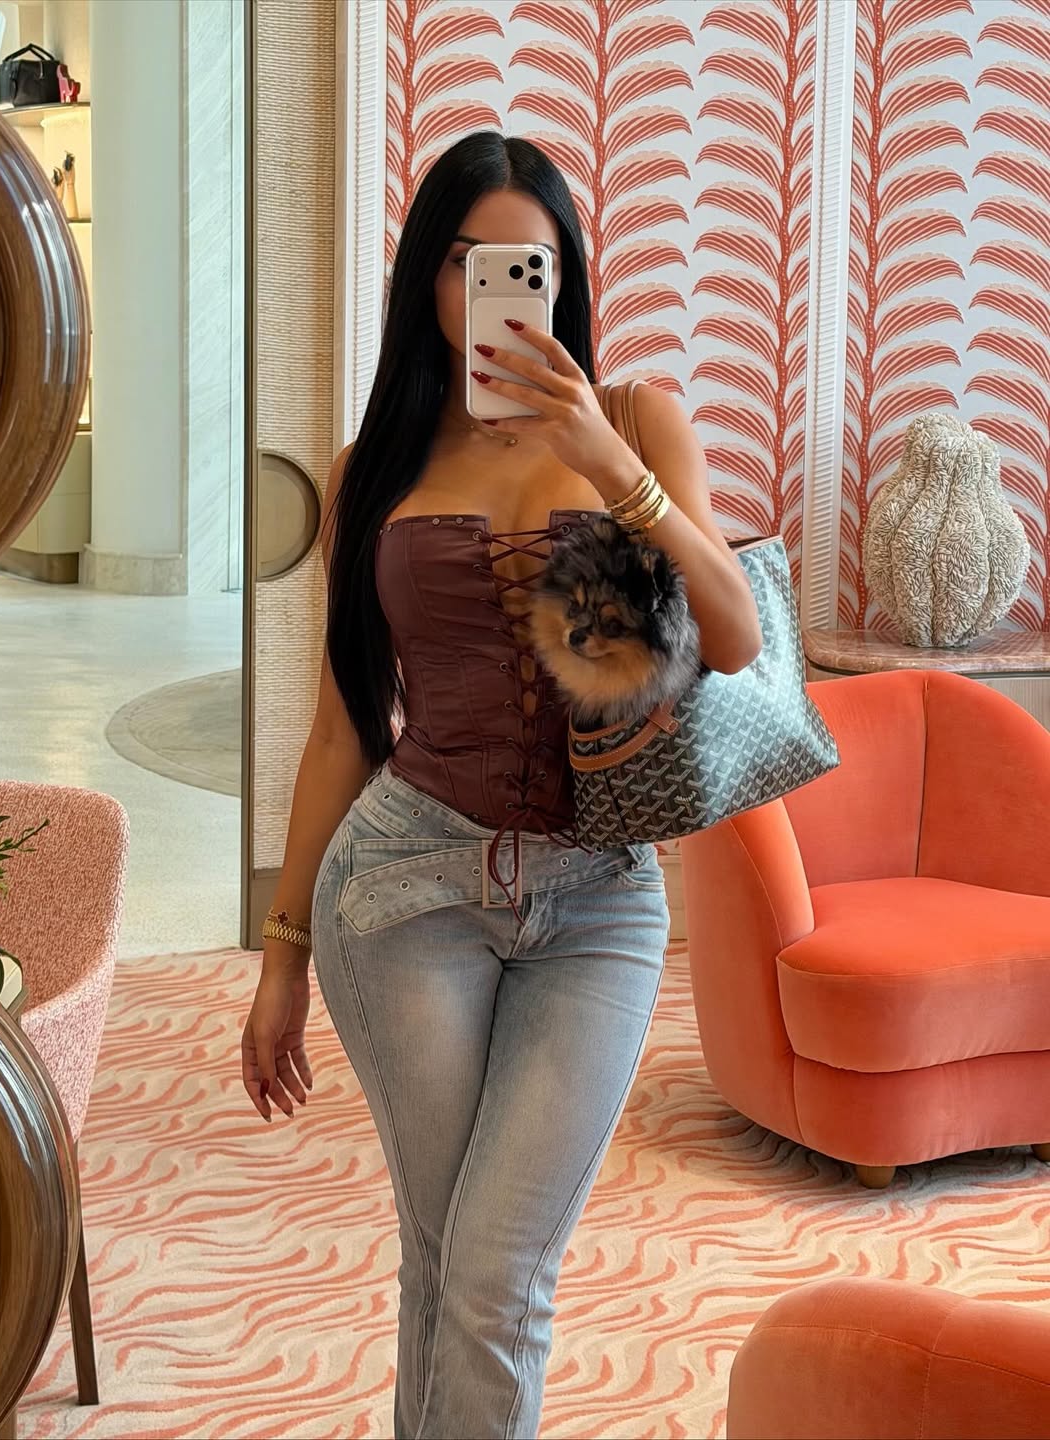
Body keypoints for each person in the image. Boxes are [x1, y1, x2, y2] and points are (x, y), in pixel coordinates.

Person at [241, 131, 762, 1440]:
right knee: (448, 1255)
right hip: (405, 889)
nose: (494, 291)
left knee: (495, 1269)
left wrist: (608, 464)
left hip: (601, 901)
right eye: (466, 263)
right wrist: (282, 952)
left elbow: (736, 635)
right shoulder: (376, 466)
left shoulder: (635, 423)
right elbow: (343, 728)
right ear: (428, 276)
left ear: (565, 275)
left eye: (526, 265)